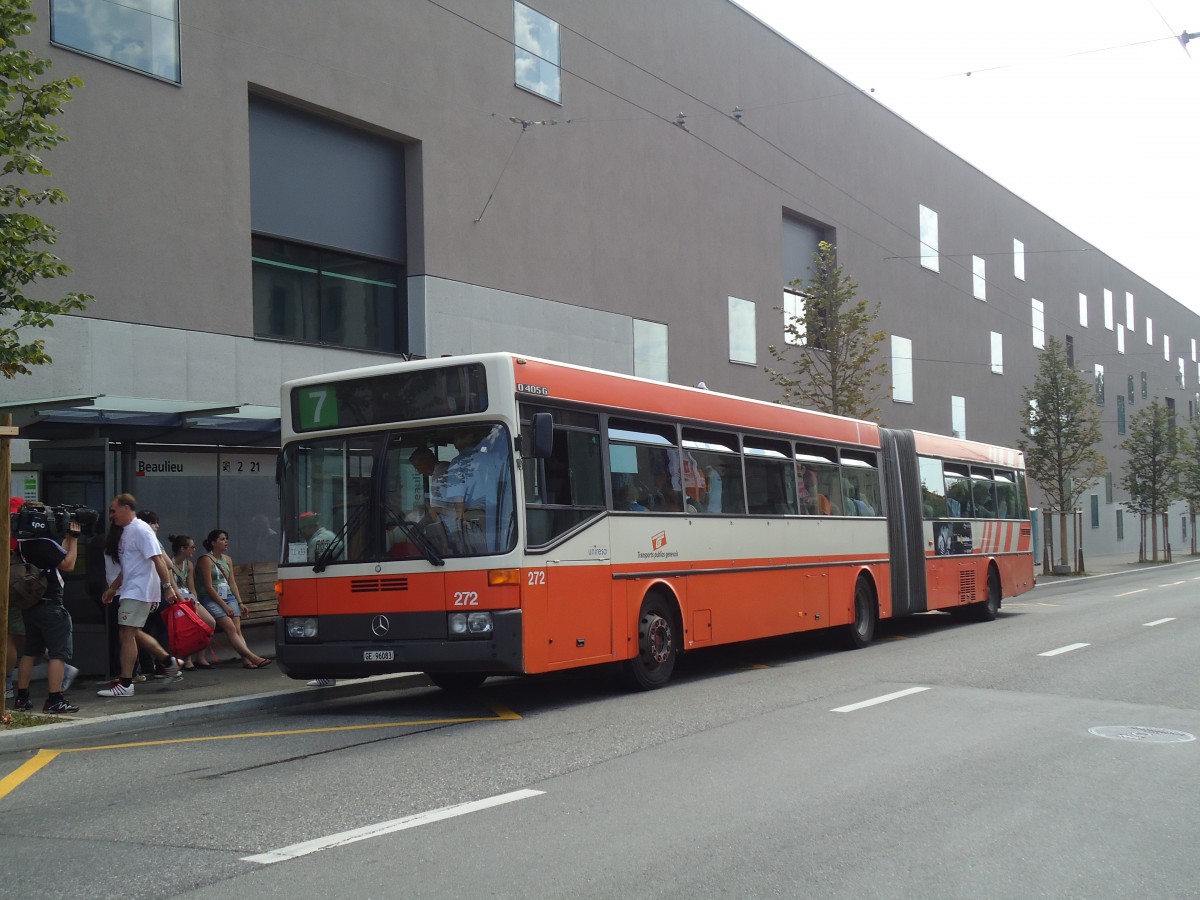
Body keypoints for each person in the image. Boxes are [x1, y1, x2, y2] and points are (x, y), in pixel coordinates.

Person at [97, 494, 184, 698]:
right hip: (131, 588)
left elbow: (159, 561)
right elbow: (127, 568)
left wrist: (167, 587)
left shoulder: (141, 530)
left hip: (139, 590)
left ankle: (126, 683)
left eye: (113, 510)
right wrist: (112, 589)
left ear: (126, 508)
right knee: (130, 632)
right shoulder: (127, 531)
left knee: (126, 633)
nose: (111, 515)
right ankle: (166, 661)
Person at [11, 506, 84, 713]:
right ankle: (54, 699)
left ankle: (22, 698)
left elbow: (57, 555)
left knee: (30, 652)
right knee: (57, 654)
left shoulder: (24, 545)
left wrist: (68, 537)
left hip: (31, 605)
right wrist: (76, 540)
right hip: (51, 605)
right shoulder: (45, 544)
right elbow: (68, 564)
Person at [195, 529, 272, 669]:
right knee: (230, 627)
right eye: (222, 539)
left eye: (226, 539)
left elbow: (232, 583)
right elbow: (208, 587)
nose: (226, 541)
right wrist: (224, 606)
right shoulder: (205, 560)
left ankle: (246, 660)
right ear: (213, 543)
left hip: (228, 597)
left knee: (237, 628)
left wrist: (240, 602)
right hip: (211, 599)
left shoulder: (227, 559)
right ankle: (253, 657)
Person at [168, 533, 218, 670]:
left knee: (210, 622)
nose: (194, 550)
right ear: (183, 549)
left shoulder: (189, 564)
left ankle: (200, 657)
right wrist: (184, 603)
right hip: (175, 600)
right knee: (189, 624)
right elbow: (173, 587)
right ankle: (187, 659)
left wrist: (194, 601)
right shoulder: (169, 563)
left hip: (189, 598)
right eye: (192, 547)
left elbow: (192, 587)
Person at [409, 447, 455, 551]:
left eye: (418, 467)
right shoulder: (447, 467)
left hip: (453, 527)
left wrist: (417, 527)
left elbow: (436, 510)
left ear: (427, 461)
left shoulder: (440, 474)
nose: (419, 472)